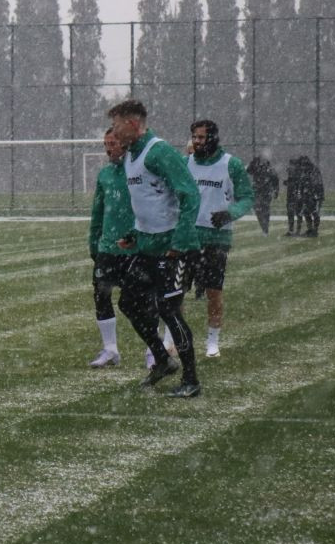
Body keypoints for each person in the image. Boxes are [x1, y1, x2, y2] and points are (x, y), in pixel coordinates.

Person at [107, 99, 203, 398]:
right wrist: (134, 235)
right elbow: (151, 203)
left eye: (118, 126)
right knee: (128, 303)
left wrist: (179, 242)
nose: (113, 133)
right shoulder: (130, 157)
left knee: (169, 312)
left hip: (172, 249)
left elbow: (190, 195)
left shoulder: (158, 151)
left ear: (133, 125)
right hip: (147, 248)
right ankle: (162, 359)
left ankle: (191, 380)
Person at [181, 120, 254, 358]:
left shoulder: (230, 164)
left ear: (212, 138)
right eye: (194, 137)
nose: (197, 141)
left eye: (201, 137)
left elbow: (246, 197)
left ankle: (213, 342)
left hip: (216, 240)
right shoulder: (186, 163)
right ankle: (172, 339)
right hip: (188, 237)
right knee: (176, 292)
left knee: (214, 292)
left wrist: (229, 214)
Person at [87, 128, 134, 368]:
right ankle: (110, 349)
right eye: (106, 144)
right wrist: (94, 242)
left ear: (124, 144)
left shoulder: (137, 171)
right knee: (101, 295)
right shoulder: (105, 174)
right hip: (107, 247)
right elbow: (97, 211)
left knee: (139, 301)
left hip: (135, 247)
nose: (108, 149)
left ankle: (153, 350)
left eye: (113, 143)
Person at [246, 155, 278, 235]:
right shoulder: (256, 168)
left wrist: (276, 191)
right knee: (258, 209)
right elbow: (248, 171)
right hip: (257, 191)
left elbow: (275, 180)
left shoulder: (270, 170)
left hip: (266, 192)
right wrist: (252, 163)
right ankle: (264, 227)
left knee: (264, 209)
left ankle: (265, 227)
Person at [297, 155, 324, 237]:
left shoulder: (314, 171)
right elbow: (302, 183)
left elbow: (317, 184)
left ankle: (315, 230)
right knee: (306, 212)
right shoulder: (305, 171)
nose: (302, 167)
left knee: (314, 212)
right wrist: (301, 193)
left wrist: (316, 195)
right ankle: (310, 229)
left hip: (314, 195)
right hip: (307, 195)